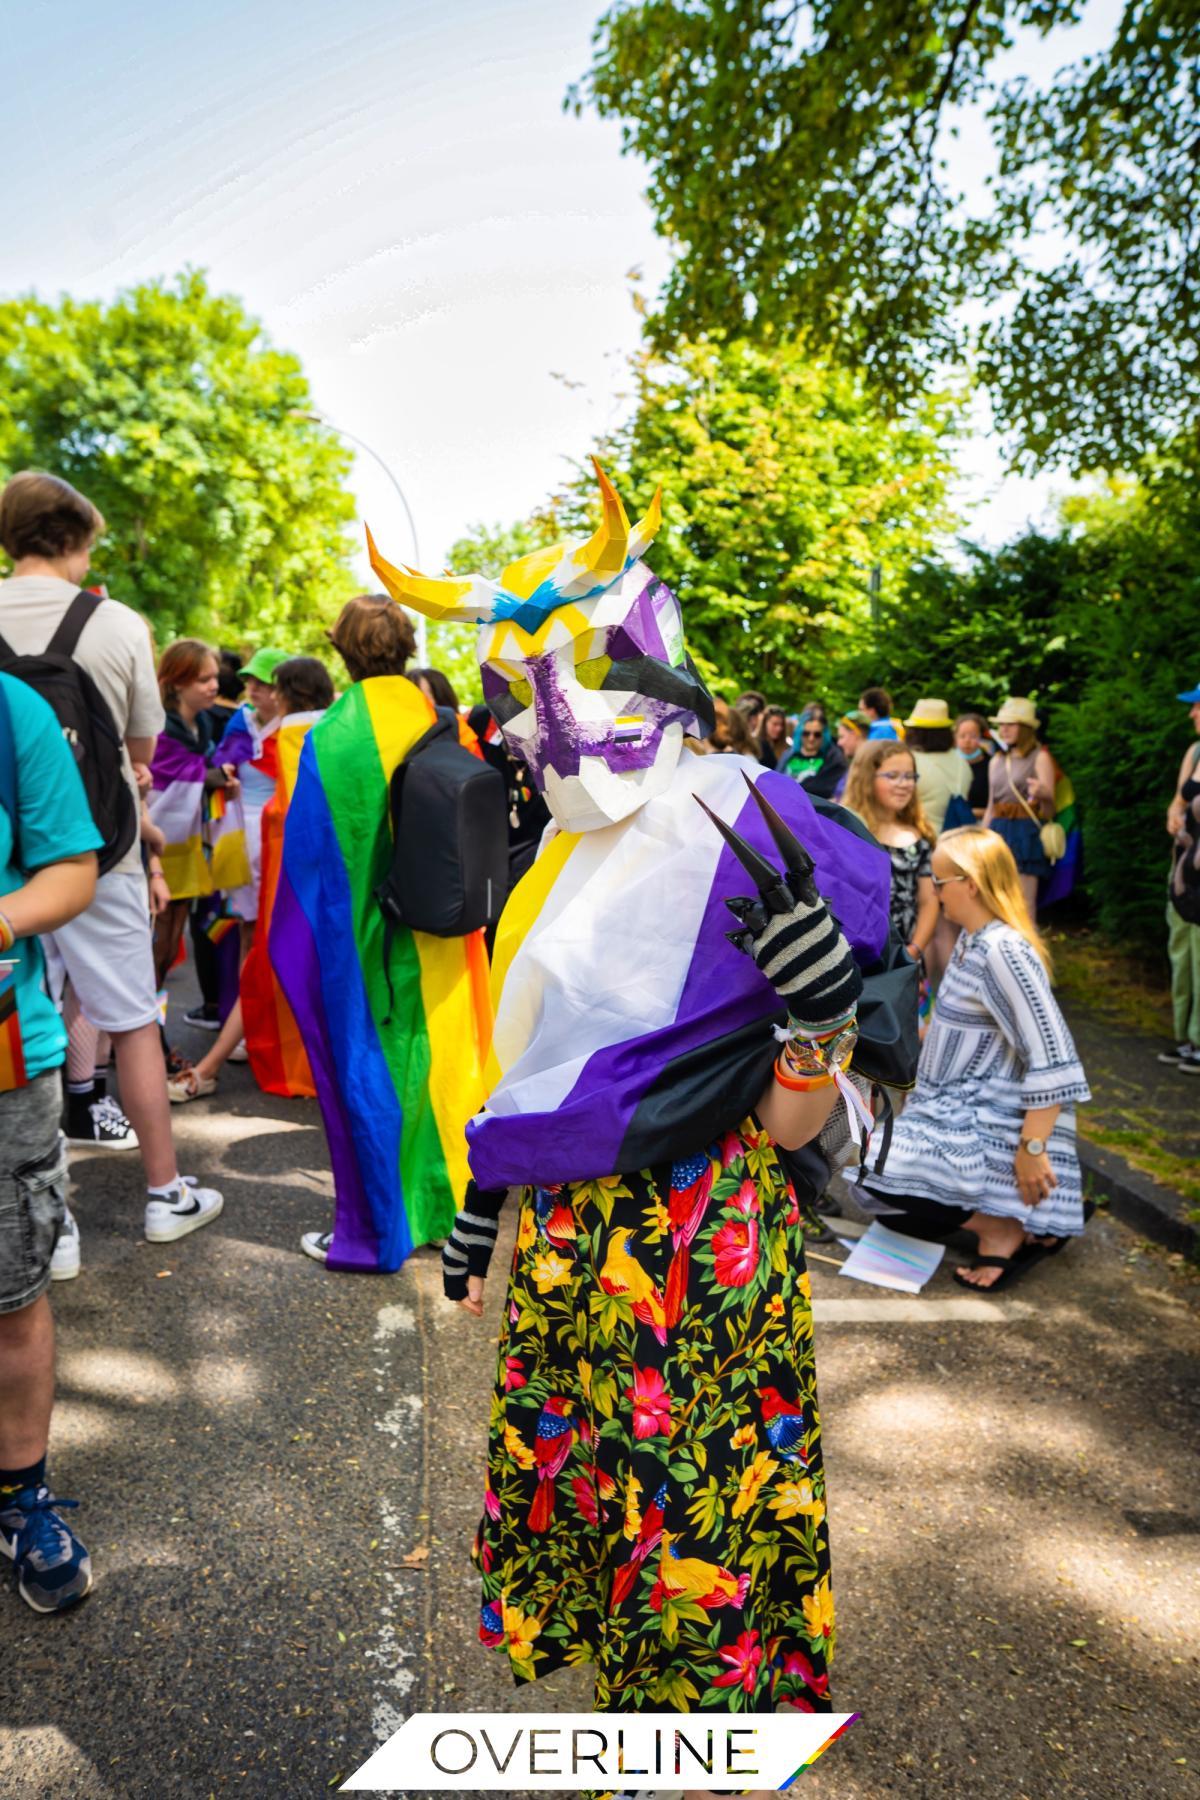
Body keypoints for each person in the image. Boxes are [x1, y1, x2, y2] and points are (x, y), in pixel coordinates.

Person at [372, 465, 892, 1731]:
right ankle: (637, 1727)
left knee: (700, 1518)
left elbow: (788, 1125)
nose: (542, 720)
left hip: (700, 1251)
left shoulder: (751, 819)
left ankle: (695, 1748)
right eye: (514, 696)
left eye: (569, 676)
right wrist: (488, 1199)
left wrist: (822, 1014)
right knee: (607, 1507)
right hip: (572, 1250)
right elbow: (536, 1065)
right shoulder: (552, 854)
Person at [0, 471, 223, 1255]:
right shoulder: (116, 622)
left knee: (30, 1016)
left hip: (9, 861)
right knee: (129, 1021)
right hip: (101, 849)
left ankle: (51, 1223)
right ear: (75, 539)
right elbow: (140, 749)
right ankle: (165, 1194)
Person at [270, 596, 494, 1269]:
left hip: (370, 943)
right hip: (446, 933)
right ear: (405, 647)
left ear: (341, 649)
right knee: (446, 1069)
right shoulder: (439, 718)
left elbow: (311, 859)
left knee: (371, 1076)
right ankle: (450, 1212)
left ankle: (378, 1232)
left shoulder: (332, 736)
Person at [852, 827, 1090, 1292]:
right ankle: (1016, 1221)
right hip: (950, 1111)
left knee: (876, 1173)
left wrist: (1032, 1149)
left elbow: (1054, 1055)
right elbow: (953, 1031)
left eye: (940, 882)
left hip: (983, 1120)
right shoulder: (972, 941)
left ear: (972, 884)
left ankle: (1003, 1228)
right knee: (881, 1192)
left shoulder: (1004, 950)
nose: (934, 893)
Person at [0, 670, 101, 1609]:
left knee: (12, 1293)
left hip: (3, 1057)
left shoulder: (10, 710)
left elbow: (72, 867)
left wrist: (1, 917)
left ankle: (20, 1497)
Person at [174, 656, 335, 1103]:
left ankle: (210, 1067)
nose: (261, 692)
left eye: (270, 685)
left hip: (285, 868)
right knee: (266, 951)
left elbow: (291, 811)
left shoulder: (297, 734)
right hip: (303, 871)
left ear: (290, 693)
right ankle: (225, 1057)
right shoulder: (325, 730)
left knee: (264, 952)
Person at [843, 740, 939, 968]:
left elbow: (929, 901)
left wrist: (914, 951)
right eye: (892, 776)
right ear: (867, 779)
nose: (903, 784)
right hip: (857, 956)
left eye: (909, 776)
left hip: (906, 957)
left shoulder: (919, 836)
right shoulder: (851, 833)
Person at [982, 697, 1058, 913]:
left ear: (1025, 728)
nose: (1004, 729)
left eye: (1011, 724)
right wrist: (982, 838)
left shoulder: (1040, 758)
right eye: (1001, 724)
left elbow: (1049, 812)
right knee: (995, 902)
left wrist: (1044, 795)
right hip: (998, 830)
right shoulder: (996, 760)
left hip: (1025, 832)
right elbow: (991, 806)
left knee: (1024, 904)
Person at [1161, 677, 1200, 1074]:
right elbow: (1178, 801)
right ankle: (1186, 1038)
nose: (1192, 713)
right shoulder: (1195, 751)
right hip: (1184, 871)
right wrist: (1174, 816)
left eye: (1198, 706)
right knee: (1182, 950)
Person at [903, 698, 971, 836]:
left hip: (921, 838)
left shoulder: (909, 761)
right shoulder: (961, 762)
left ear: (915, 732)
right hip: (956, 838)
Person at [782, 708, 847, 799]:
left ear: (824, 735)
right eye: (806, 733)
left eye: (817, 734)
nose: (811, 738)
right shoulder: (788, 754)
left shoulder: (834, 759)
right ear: (800, 733)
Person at [757, 704, 789, 769]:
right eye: (775, 724)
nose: (779, 728)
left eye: (781, 725)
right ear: (765, 723)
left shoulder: (786, 748)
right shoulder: (756, 745)